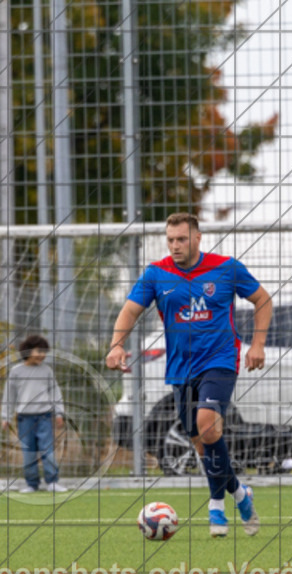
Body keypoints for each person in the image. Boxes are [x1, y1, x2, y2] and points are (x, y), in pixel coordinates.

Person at [106, 212, 272, 538]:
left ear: (197, 238)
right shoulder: (156, 274)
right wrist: (116, 345)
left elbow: (262, 299)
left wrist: (258, 344)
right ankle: (239, 493)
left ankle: (215, 505)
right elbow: (129, 310)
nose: (175, 245)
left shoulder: (226, 268)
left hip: (220, 360)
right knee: (202, 443)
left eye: (181, 239)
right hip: (181, 368)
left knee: (207, 425)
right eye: (170, 240)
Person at [1, 334, 68, 493]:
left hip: (44, 417)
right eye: (39, 351)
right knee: (28, 453)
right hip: (25, 419)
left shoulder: (47, 371)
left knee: (48, 450)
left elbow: (55, 393)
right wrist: (6, 416)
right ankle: (31, 484)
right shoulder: (16, 372)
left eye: (44, 351)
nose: (42, 355)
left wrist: (59, 413)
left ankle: (52, 481)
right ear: (28, 350)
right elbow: (9, 396)